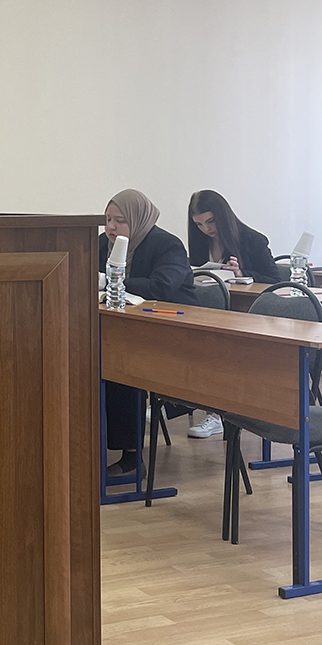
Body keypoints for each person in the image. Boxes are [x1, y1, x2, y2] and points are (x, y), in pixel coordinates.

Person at [99, 189, 197, 475]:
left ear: (138, 219)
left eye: (120, 220)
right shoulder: (101, 244)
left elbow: (161, 287)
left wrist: (113, 281)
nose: (111, 227)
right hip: (123, 328)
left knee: (122, 368)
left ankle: (132, 457)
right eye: (108, 219)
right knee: (98, 361)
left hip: (172, 331)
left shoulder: (167, 245)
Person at [185, 190, 282, 438]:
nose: (206, 229)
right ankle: (182, 400)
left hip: (248, 316)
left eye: (210, 221)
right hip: (211, 310)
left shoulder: (252, 240)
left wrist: (241, 274)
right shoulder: (200, 241)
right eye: (199, 224)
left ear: (223, 216)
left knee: (218, 349)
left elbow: (274, 280)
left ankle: (217, 414)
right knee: (186, 341)